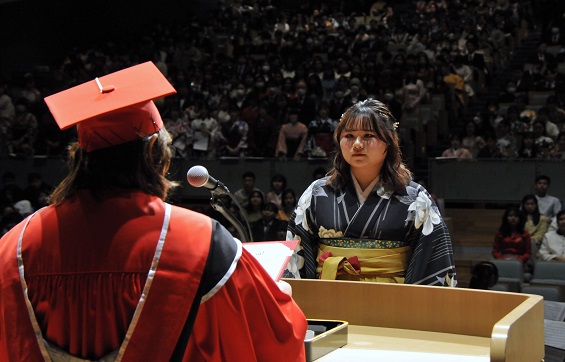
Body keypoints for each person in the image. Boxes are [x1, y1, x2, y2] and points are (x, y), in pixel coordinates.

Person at [0, 62, 307, 361]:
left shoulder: (13, 247)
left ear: (80, 158)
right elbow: (272, 340)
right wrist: (279, 296)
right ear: (152, 153)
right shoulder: (200, 243)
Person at [286, 99, 457, 285]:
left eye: (368, 135)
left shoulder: (415, 198)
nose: (357, 144)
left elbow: (432, 262)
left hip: (392, 303)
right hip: (329, 298)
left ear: (388, 142)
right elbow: (296, 257)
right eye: (349, 136)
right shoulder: (317, 194)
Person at [492, 206, 532, 271]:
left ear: (520, 218)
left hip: (520, 262)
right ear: (506, 218)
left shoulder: (525, 234)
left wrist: (518, 260)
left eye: (516, 216)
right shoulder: (500, 233)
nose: (513, 218)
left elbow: (528, 253)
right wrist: (502, 259)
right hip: (503, 261)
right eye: (510, 216)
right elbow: (495, 251)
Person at [522, 194, 549, 262]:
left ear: (536, 205)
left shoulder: (542, 218)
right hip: (520, 242)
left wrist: (528, 240)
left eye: (532, 204)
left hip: (536, 243)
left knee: (532, 244)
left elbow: (540, 234)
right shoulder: (519, 218)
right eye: (527, 204)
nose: (530, 206)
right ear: (523, 205)